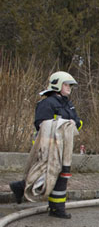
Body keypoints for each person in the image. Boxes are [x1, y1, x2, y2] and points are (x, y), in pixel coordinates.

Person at [9, 71, 82, 218]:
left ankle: (56, 208)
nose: (69, 88)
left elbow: (78, 122)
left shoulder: (68, 103)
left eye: (70, 85)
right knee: (46, 172)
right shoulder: (47, 103)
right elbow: (41, 125)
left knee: (62, 175)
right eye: (67, 85)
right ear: (57, 84)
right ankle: (24, 188)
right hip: (48, 145)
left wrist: (74, 124)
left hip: (64, 147)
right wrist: (62, 124)